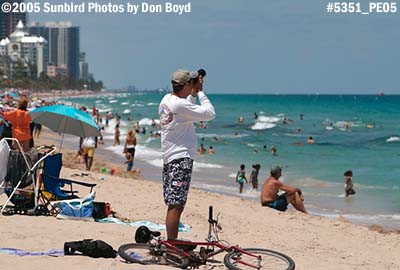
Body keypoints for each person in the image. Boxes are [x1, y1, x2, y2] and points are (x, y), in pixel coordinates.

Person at [159, 68, 215, 240]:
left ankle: (172, 242)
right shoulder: (180, 105)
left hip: (171, 157)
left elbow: (188, 112)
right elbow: (210, 114)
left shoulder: (167, 100)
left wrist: (192, 92)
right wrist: (201, 92)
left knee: (174, 203)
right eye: (191, 82)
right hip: (180, 158)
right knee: (176, 205)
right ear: (186, 84)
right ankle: (172, 244)